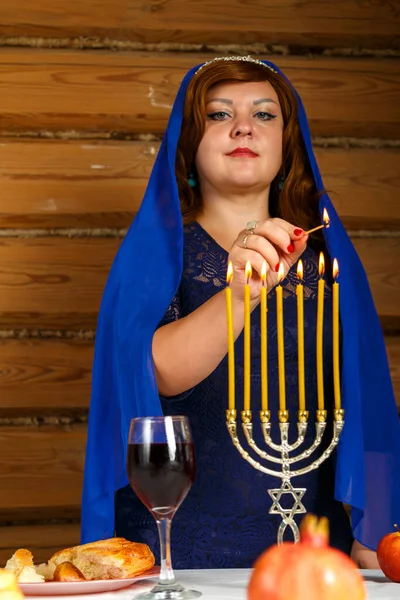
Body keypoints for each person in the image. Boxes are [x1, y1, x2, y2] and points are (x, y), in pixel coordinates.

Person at [81, 56, 400, 570]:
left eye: (265, 115)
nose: (244, 127)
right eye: (218, 114)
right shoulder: (158, 253)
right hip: (181, 549)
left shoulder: (328, 262)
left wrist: (377, 530)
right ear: (189, 142)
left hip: (312, 549)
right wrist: (240, 295)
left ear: (287, 143)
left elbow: (365, 404)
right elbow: (156, 373)